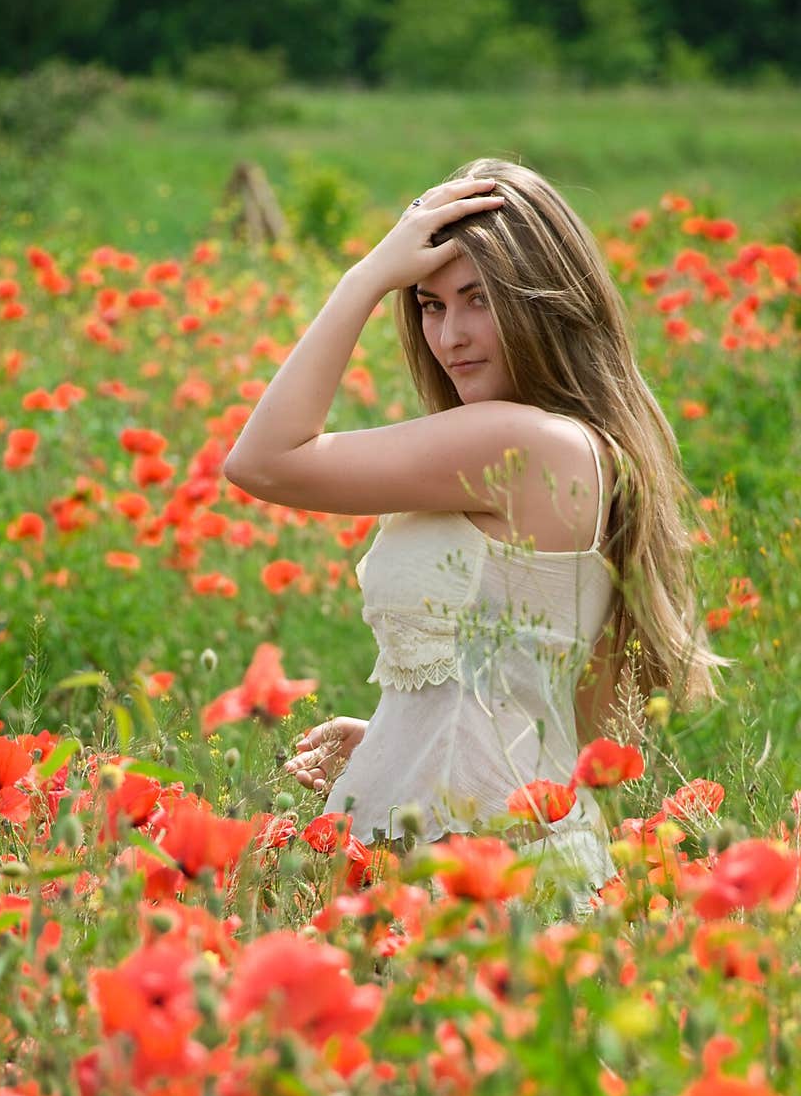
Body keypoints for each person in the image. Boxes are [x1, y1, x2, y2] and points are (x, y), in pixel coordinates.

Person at [223, 157, 725, 908]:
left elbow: (263, 461)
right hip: (493, 861)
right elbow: (556, 720)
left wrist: (365, 276)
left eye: (477, 300)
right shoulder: (578, 447)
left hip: (468, 887)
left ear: (544, 301)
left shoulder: (516, 444)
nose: (448, 336)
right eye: (427, 304)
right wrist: (407, 736)